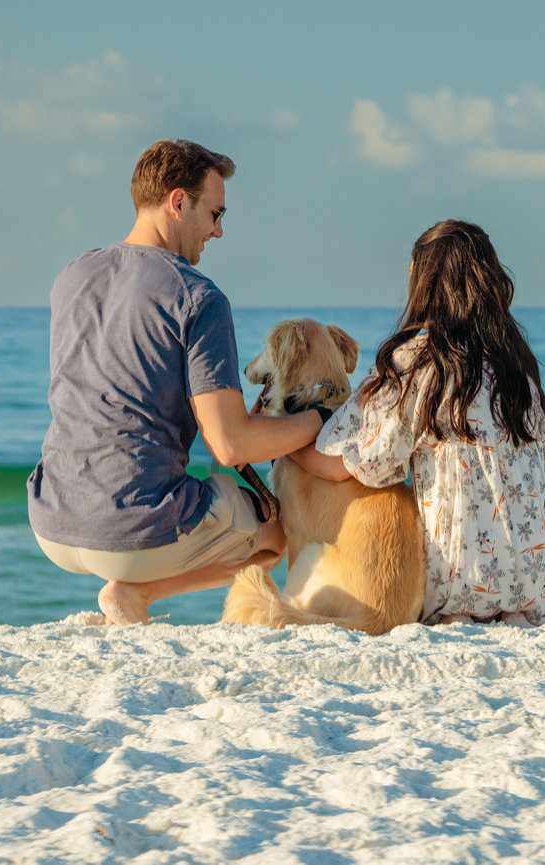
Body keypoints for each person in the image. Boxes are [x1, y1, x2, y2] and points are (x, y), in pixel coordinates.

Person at [27, 139, 327, 625]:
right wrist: (318, 420)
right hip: (130, 532)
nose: (219, 231)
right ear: (178, 201)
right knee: (277, 532)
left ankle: (130, 587)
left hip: (51, 522)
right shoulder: (198, 296)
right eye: (214, 213)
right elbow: (230, 446)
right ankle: (140, 592)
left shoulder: (72, 275)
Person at [288, 219, 545, 626]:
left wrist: (288, 443)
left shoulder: (419, 360)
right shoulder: (517, 367)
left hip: (461, 594)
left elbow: (349, 463)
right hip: (536, 595)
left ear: (424, 284)